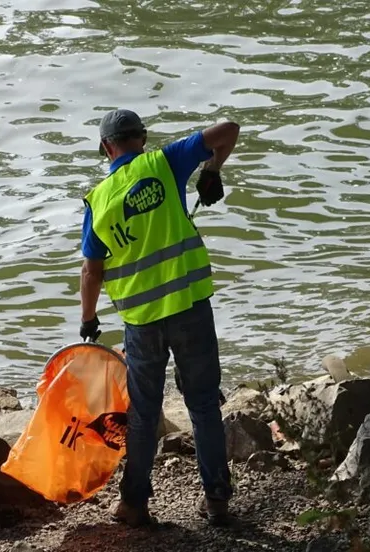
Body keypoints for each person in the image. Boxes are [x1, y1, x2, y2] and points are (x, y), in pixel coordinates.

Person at [78, 108, 240, 527]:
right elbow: (228, 129)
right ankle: (217, 499)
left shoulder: (98, 201)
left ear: (105, 147)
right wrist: (211, 169)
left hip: (142, 322)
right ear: (142, 139)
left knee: (144, 413)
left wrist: (88, 320)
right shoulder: (165, 162)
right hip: (189, 308)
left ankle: (133, 503)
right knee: (204, 404)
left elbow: (91, 269)